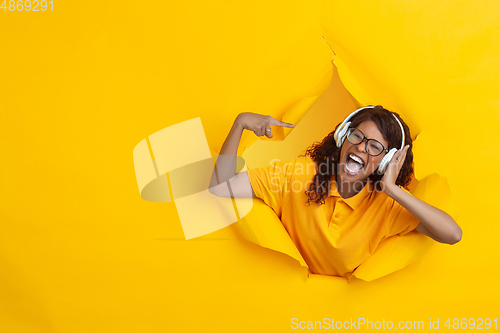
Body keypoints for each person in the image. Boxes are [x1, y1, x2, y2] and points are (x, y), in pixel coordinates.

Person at [209, 105, 462, 278]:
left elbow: (452, 234)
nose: (361, 148)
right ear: (343, 136)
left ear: (387, 161)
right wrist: (240, 123)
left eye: (374, 146)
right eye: (356, 136)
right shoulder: (298, 175)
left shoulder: (386, 205)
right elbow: (221, 186)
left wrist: (393, 190)